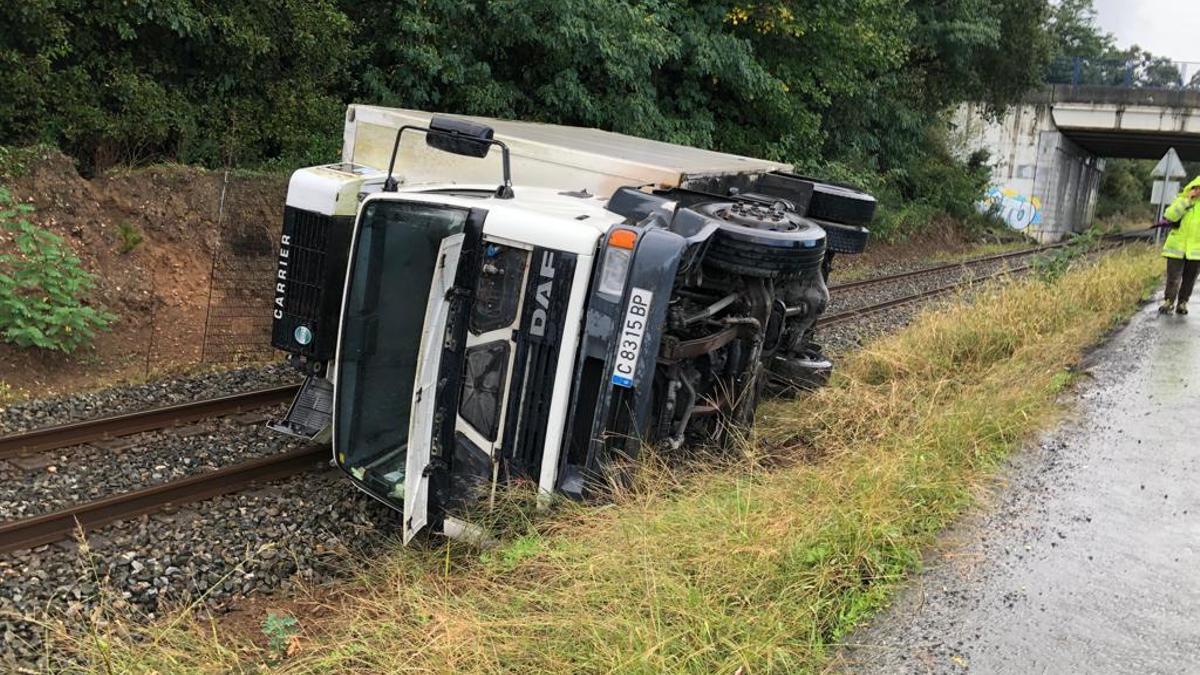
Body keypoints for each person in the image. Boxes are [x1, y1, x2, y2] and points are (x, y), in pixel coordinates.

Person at [1160, 177, 1200, 315]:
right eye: (1197, 187)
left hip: (1196, 250)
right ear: (1192, 188)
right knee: (1173, 277)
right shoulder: (1181, 200)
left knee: (1189, 278)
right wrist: (1186, 201)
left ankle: (1182, 303)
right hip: (1176, 248)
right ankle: (1169, 301)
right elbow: (1170, 216)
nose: (1198, 190)